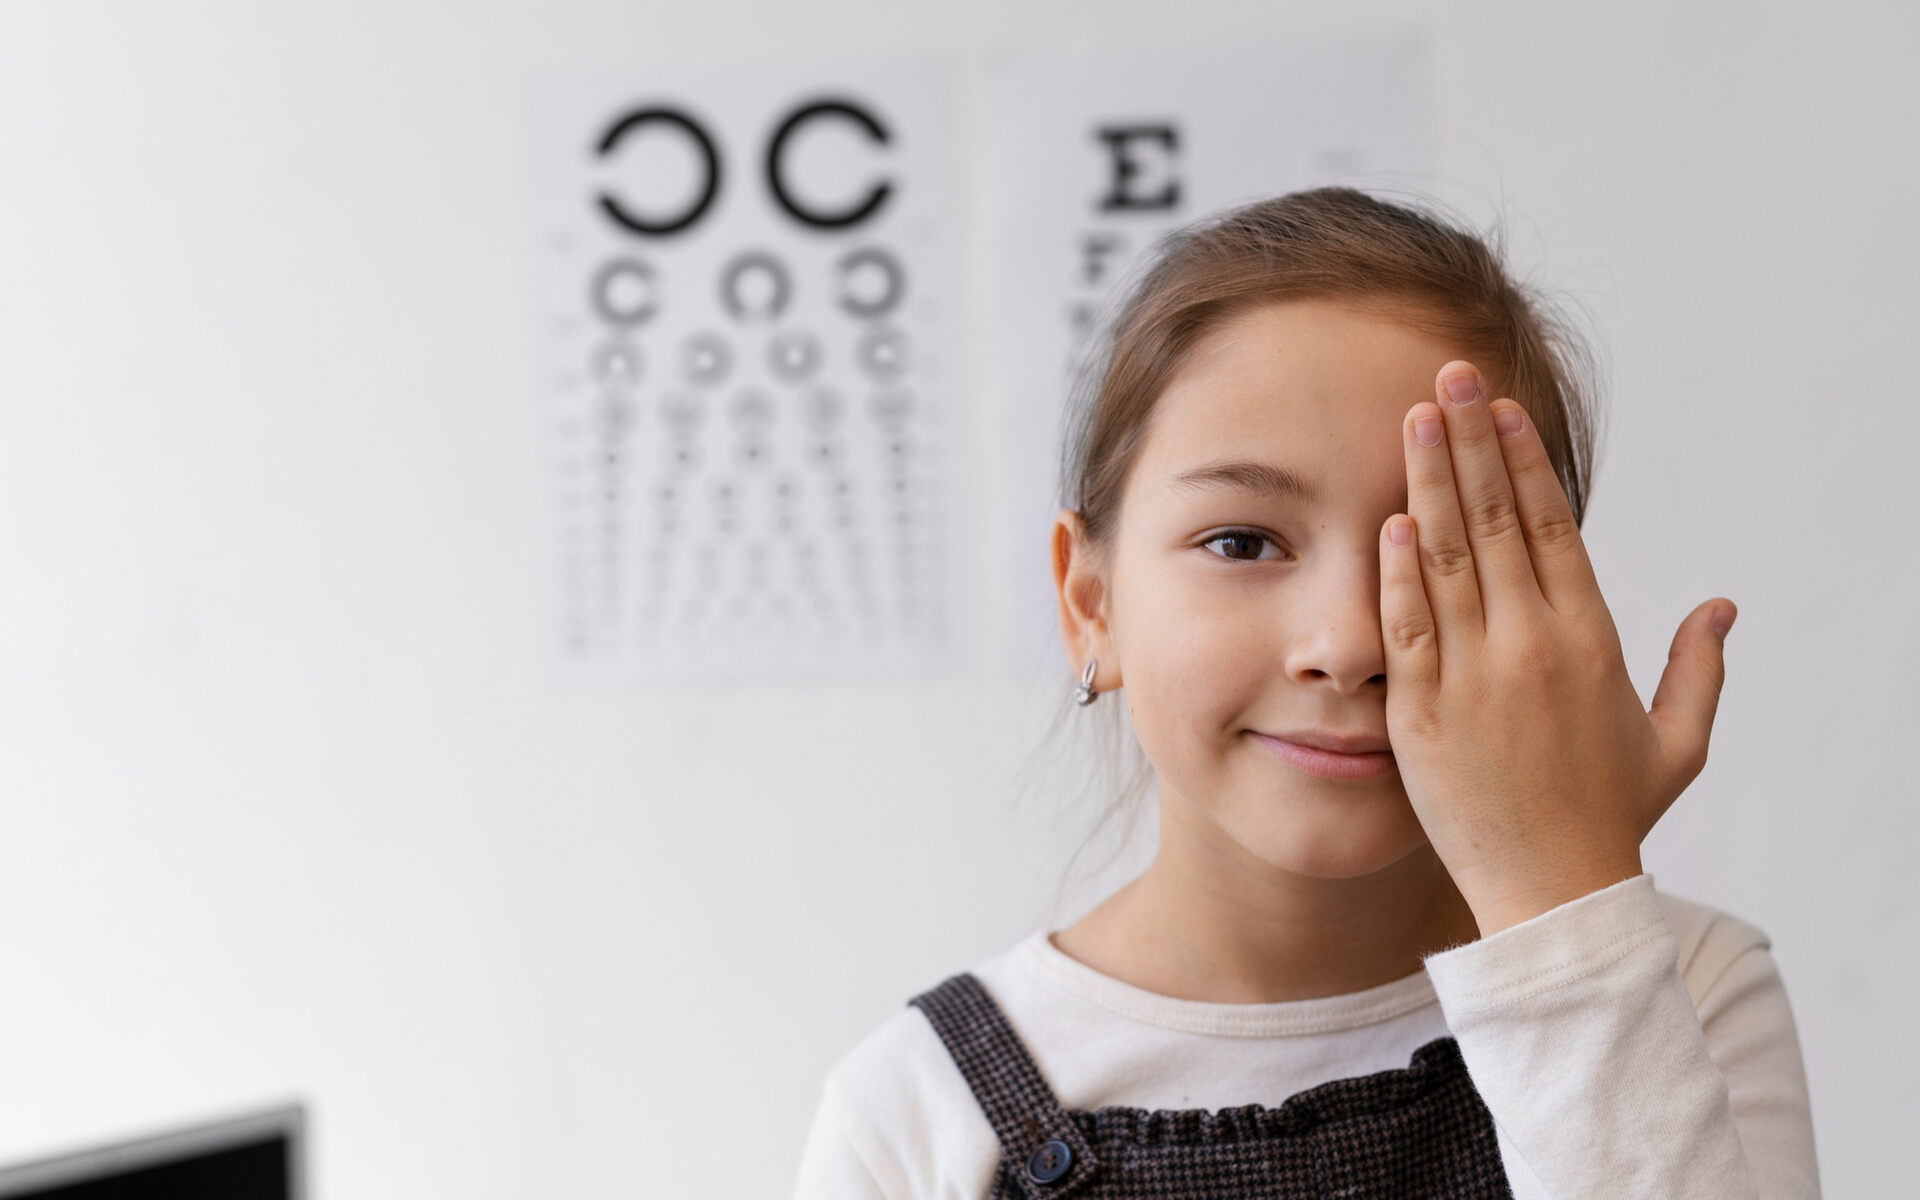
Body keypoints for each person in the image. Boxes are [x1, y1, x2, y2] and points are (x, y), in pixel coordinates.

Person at [791, 186, 1820, 1198]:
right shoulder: (915, 1115)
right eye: (1241, 542)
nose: (1350, 644)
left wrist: (1561, 905)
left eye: (1433, 548)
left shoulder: (1685, 987)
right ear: (1089, 601)